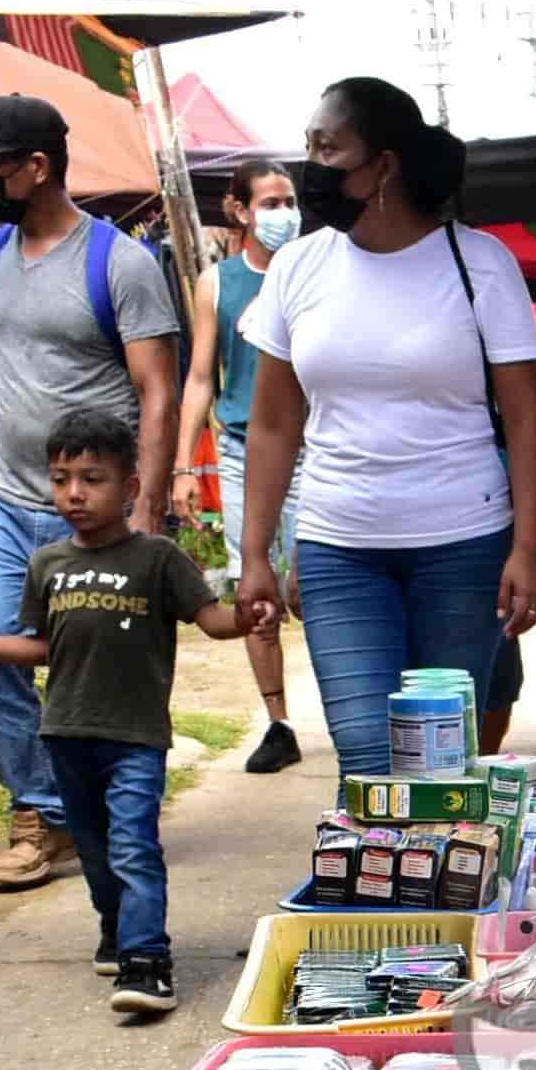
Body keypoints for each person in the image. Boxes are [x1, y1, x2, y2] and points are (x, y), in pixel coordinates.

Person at [236, 76, 536, 764]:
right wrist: (256, 553)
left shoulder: (479, 264)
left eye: (329, 148)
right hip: (338, 549)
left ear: (383, 164)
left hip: (464, 548)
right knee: (366, 761)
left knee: (438, 762)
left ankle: (445, 874)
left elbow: (528, 419)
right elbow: (272, 423)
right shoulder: (297, 267)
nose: (312, 168)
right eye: (309, 148)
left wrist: (527, 551)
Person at [0, 95, 181, 890]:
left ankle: (111, 801)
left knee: (101, 671)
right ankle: (43, 814)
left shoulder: (122, 265)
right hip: (5, 498)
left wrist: (145, 507)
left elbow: (159, 393)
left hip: (97, 515)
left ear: (37, 166)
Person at [0, 409, 243, 1018]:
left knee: (133, 844)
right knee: (96, 850)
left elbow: (214, 622)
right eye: (61, 479)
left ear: (129, 488)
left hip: (134, 736)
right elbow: (43, 646)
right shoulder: (48, 563)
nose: (74, 493)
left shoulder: (157, 559)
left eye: (92, 478)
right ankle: (116, 928)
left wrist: (257, 611)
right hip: (65, 737)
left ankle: (147, 961)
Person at [173, 159, 304, 775]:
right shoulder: (216, 284)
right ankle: (277, 722)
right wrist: (181, 466)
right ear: (241, 211)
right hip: (240, 449)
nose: (284, 213)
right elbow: (201, 377)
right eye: (271, 203)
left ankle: (345, 708)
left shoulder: (312, 270)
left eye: (289, 200)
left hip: (313, 450)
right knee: (254, 590)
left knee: (313, 583)